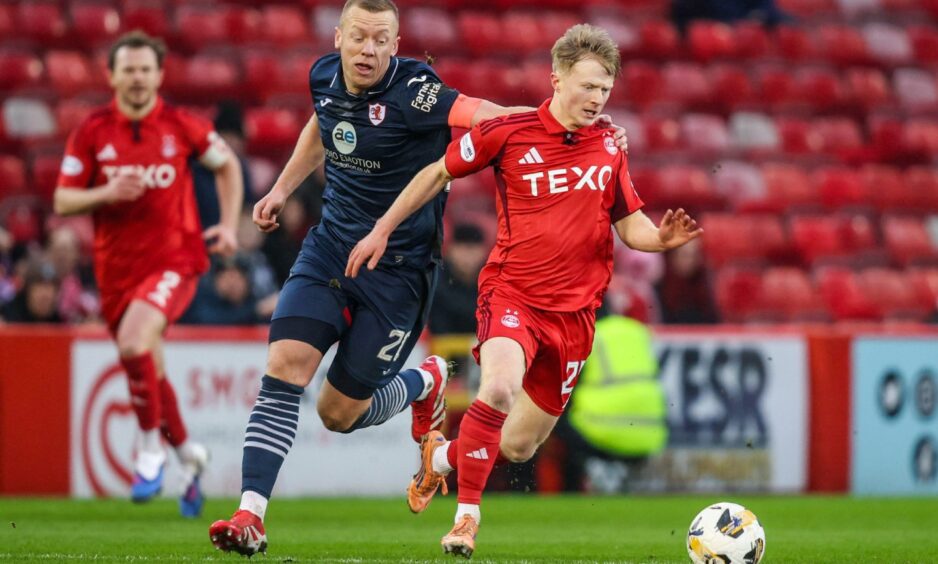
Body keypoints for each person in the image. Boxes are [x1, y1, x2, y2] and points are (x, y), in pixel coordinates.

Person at [208, 0, 628, 556]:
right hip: (331, 249)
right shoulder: (323, 76)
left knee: (338, 414)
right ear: (339, 37)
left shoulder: (417, 91)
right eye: (359, 37)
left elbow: (487, 115)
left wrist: (567, 121)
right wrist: (283, 188)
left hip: (400, 274)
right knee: (284, 366)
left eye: (382, 40)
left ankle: (422, 382)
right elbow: (323, 121)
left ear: (396, 43)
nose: (369, 49)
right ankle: (251, 515)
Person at [347, 23, 702, 558]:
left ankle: (439, 460)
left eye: (604, 89)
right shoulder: (508, 131)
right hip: (511, 295)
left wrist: (662, 240)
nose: (596, 98)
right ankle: (465, 520)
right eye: (586, 85)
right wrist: (382, 228)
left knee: (516, 444)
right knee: (497, 390)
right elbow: (437, 172)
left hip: (576, 318)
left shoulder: (609, 143)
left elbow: (631, 226)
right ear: (556, 78)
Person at [52, 30, 244, 517]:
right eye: (128, 69)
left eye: (145, 69)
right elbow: (62, 198)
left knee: (137, 341)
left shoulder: (181, 124)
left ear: (159, 74)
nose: (137, 77)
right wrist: (106, 193)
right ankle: (189, 456)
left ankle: (149, 453)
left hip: (176, 262)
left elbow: (227, 167)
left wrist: (226, 222)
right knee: (149, 369)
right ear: (112, 75)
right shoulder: (93, 130)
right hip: (115, 274)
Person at [429, 222, 488, 335]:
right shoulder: (435, 277)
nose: (468, 257)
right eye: (463, 250)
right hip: (439, 346)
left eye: (473, 250)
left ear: (484, 251)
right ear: (451, 250)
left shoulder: (492, 279)